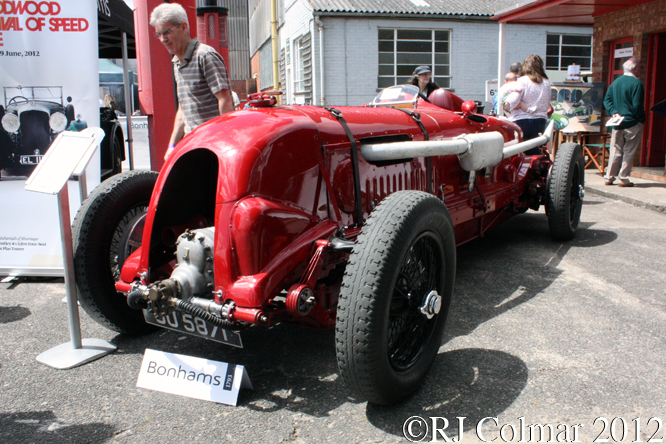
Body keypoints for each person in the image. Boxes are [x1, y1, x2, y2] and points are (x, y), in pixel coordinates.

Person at [150, 3, 234, 159]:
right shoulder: (177, 62)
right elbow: (182, 109)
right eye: (159, 34)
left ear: (183, 27)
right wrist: (172, 146)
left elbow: (225, 100)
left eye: (166, 32)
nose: (162, 39)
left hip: (213, 146)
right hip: (194, 145)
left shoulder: (204, 55)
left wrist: (226, 144)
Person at [602, 57, 645, 187]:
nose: (642, 70)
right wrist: (642, 119)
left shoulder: (615, 82)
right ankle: (623, 178)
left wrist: (613, 111)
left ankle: (609, 177)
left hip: (617, 122)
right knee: (629, 150)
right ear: (635, 68)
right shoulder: (637, 84)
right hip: (632, 122)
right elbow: (637, 106)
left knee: (616, 149)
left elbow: (606, 100)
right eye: (641, 67)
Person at [505, 54, 552, 154]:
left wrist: (506, 106)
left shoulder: (522, 80)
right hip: (540, 121)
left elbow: (513, 100)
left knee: (519, 153)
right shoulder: (546, 82)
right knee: (535, 151)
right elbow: (547, 103)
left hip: (521, 120)